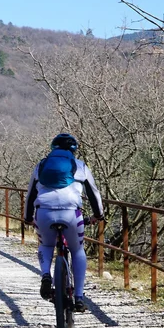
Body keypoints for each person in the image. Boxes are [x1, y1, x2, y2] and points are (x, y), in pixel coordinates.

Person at [24, 133, 104, 313]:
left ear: (53, 149)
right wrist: (99, 215)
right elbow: (94, 194)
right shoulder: (80, 166)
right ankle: (79, 297)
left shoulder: (41, 166)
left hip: (44, 213)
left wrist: (28, 217)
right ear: (73, 151)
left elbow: (30, 196)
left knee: (45, 245)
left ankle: (46, 275)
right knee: (77, 250)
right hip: (71, 214)